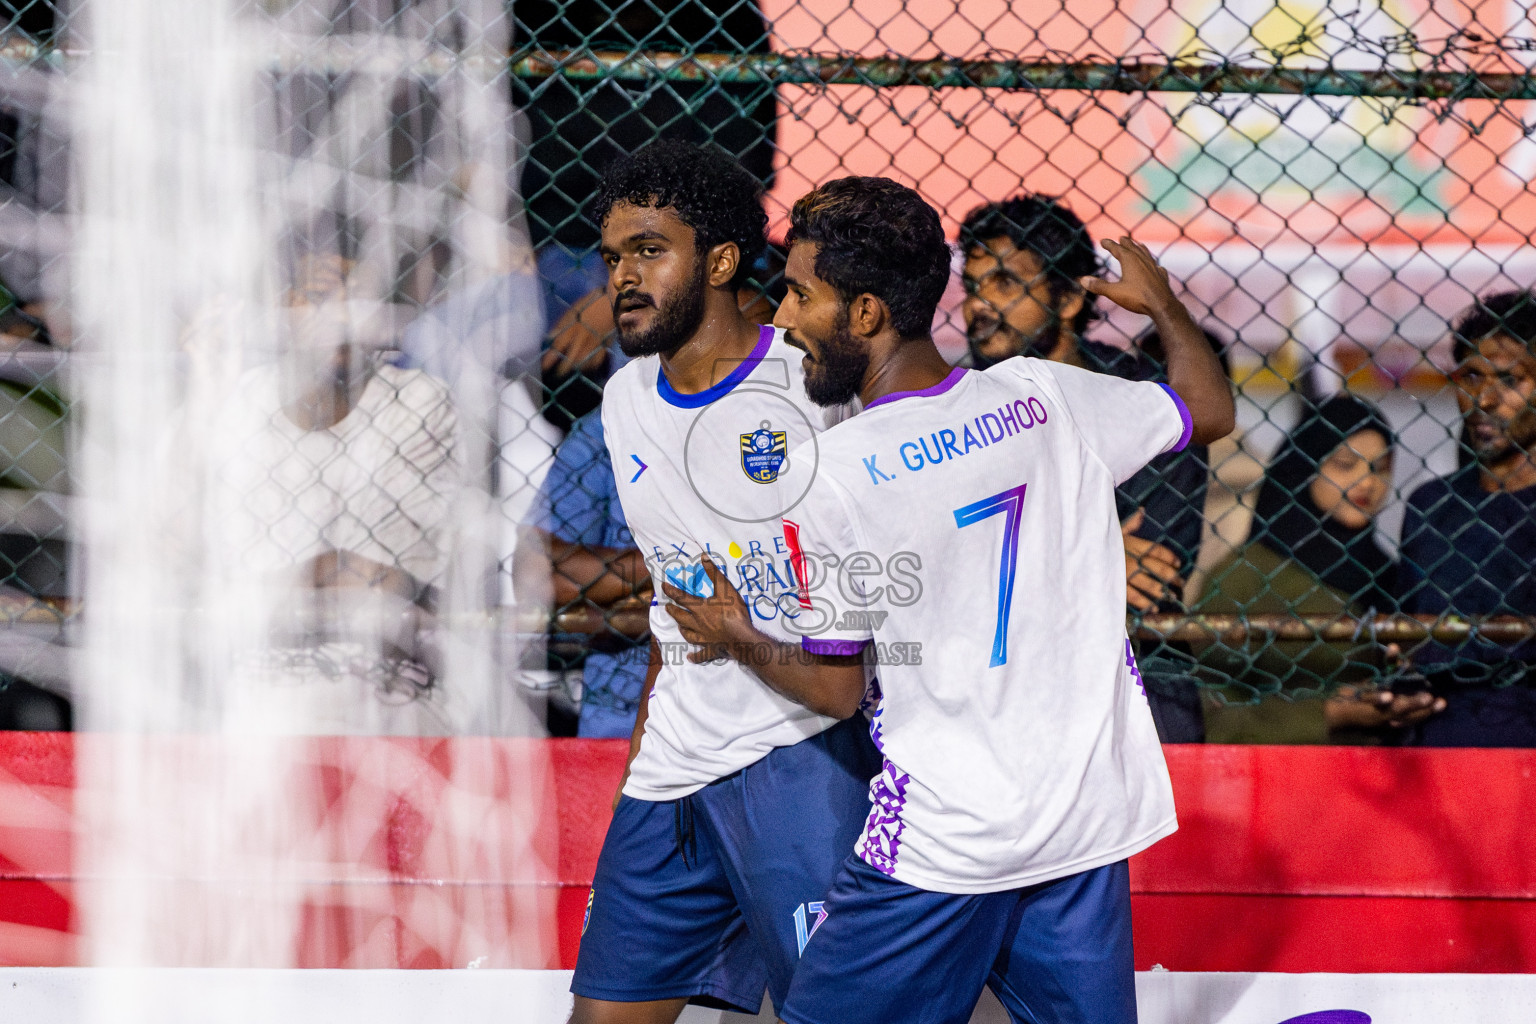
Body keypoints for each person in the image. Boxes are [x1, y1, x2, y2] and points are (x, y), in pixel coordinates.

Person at [665, 177, 1233, 1024]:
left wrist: (730, 631)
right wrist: (1163, 308)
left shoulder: (833, 479)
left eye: (802, 294)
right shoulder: (1046, 396)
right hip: (1078, 827)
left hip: (943, 843)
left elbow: (836, 687)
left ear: (865, 315)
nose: (782, 318)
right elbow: (1209, 406)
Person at [568, 142, 880, 1023]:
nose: (622, 276)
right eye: (613, 255)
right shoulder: (625, 398)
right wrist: (642, 763)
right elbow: (683, 603)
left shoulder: (818, 386)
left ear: (720, 260)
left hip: (804, 758)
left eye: (648, 249)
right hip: (673, 774)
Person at [1195, 394, 1443, 743]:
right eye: (1345, 464)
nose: (1368, 481)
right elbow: (1205, 708)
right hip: (1278, 780)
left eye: (1381, 467)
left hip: (1382, 780)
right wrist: (1328, 714)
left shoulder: (1390, 575)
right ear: (1305, 467)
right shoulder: (1246, 576)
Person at [1399, 290, 1536, 747]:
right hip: (1439, 751)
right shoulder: (1430, 506)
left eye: (1511, 380)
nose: (1485, 399)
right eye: (1471, 377)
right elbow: (1412, 640)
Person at [517, 409, 651, 737]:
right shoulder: (610, 424)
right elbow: (539, 577)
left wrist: (622, 592)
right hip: (620, 717)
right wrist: (676, 561)